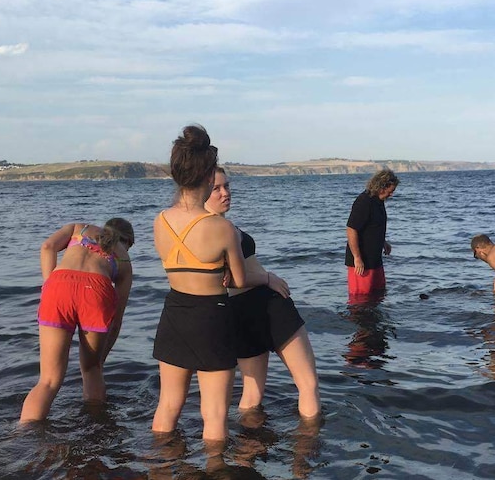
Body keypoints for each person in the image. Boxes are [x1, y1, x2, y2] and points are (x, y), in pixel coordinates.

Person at [151, 125, 247, 442]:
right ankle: (216, 470)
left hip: (174, 313)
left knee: (168, 405)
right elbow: (239, 280)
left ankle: (159, 467)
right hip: (212, 317)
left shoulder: (160, 220)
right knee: (215, 413)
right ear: (208, 176)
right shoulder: (223, 228)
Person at [204, 167, 321, 419]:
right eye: (217, 189)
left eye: (227, 186)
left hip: (238, 312)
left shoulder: (207, 226)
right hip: (264, 304)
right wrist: (268, 278)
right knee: (308, 384)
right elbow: (229, 279)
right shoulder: (215, 227)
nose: (225, 193)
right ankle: (308, 451)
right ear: (201, 191)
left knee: (252, 392)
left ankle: (248, 452)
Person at [20, 218, 134, 422]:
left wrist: (49, 285)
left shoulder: (78, 229)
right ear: (129, 242)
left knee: (47, 380)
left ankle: (24, 433)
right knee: (91, 370)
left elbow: (47, 247)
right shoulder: (124, 260)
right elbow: (116, 320)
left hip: (58, 286)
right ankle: (94, 427)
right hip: (97, 291)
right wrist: (100, 360)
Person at [345, 169, 400, 296]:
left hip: (375, 259)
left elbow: (373, 226)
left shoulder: (379, 202)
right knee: (360, 300)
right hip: (362, 263)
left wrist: (383, 242)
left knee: (379, 295)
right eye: (390, 191)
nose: (391, 195)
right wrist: (357, 258)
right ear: (382, 186)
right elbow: (351, 229)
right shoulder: (364, 201)